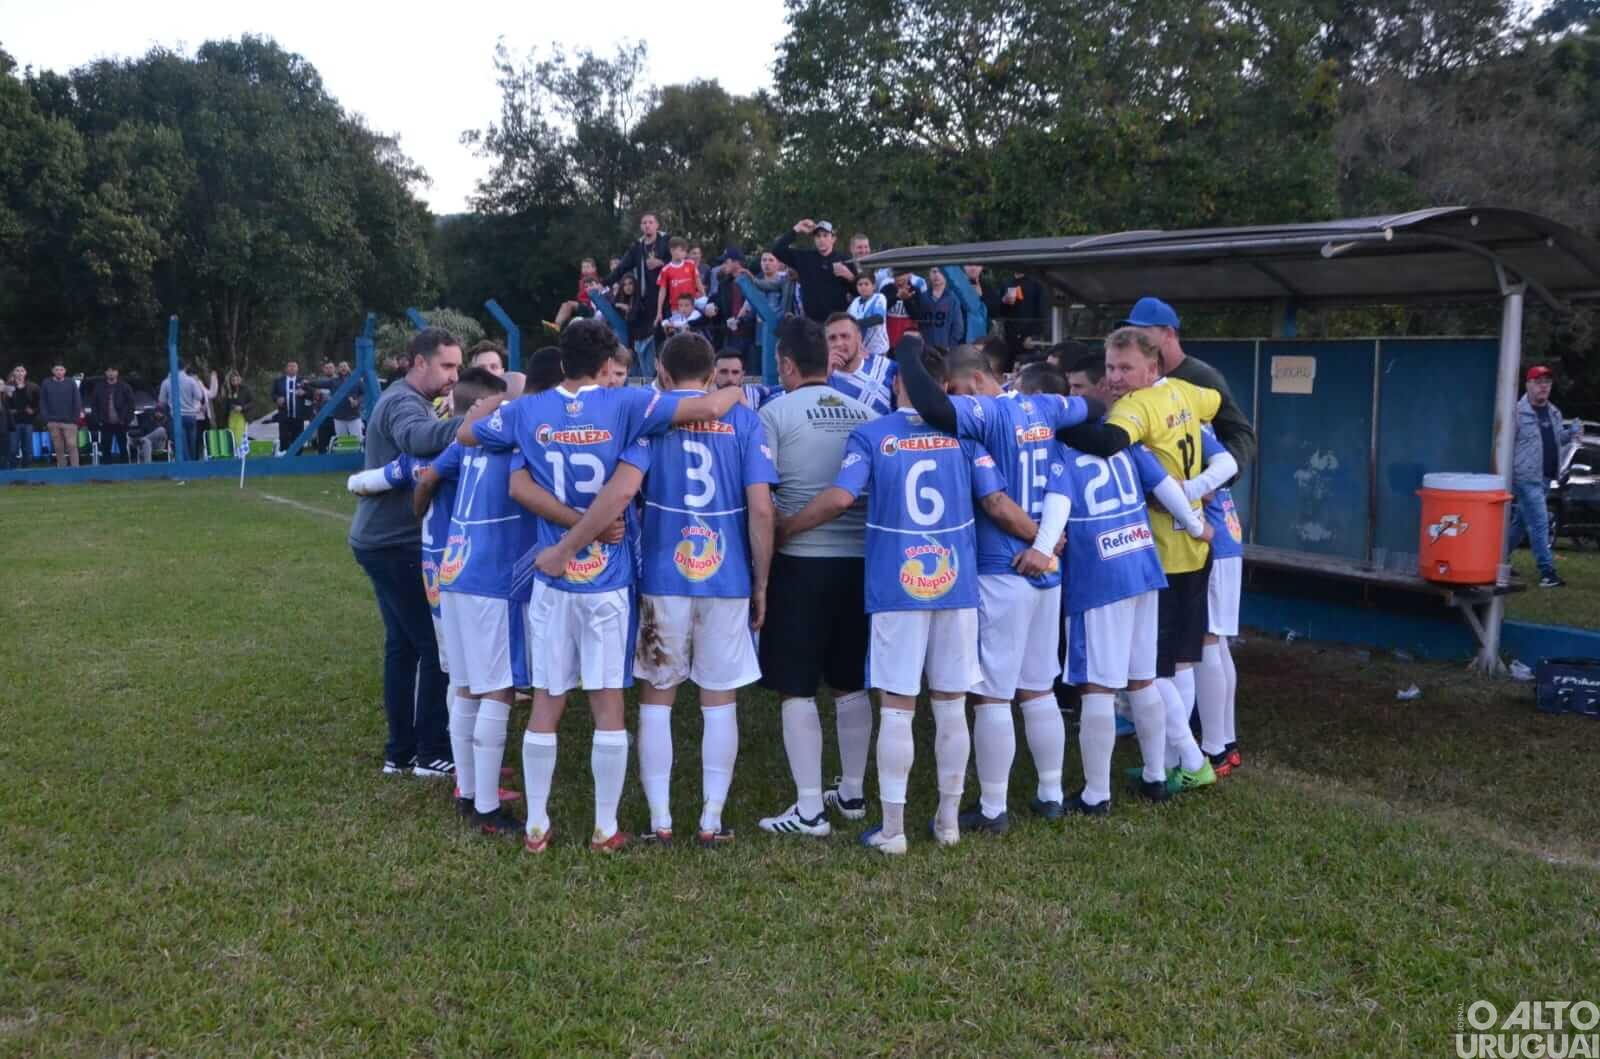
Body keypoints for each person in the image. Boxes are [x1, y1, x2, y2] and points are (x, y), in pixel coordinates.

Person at [461, 319, 742, 854]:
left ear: (562, 361)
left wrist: (499, 402)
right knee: (606, 701)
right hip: (606, 578)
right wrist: (734, 387)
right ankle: (604, 827)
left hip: (552, 581)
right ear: (605, 361)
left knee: (547, 699)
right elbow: (705, 409)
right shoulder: (628, 404)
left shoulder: (526, 412)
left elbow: (469, 434)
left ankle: (537, 826)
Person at [547, 332, 777, 846]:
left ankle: (661, 821)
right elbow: (761, 508)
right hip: (728, 577)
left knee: (658, 699)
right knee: (719, 700)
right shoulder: (743, 418)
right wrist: (761, 581)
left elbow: (625, 488)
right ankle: (711, 821)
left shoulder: (651, 414)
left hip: (663, 576)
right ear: (714, 371)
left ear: (664, 374)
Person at [780, 345, 1007, 854]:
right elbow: (994, 499)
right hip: (956, 586)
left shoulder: (873, 434)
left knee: (899, 708)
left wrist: (787, 527)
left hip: (896, 586)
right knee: (951, 706)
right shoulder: (964, 434)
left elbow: (840, 497)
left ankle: (894, 829)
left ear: (897, 382)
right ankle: (947, 822)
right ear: (943, 385)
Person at [897, 339, 1097, 830]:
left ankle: (992, 807)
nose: (956, 399)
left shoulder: (983, 416)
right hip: (1047, 572)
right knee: (1038, 688)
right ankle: (1050, 792)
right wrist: (1048, 544)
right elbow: (1093, 406)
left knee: (992, 694)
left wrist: (906, 351)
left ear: (974, 382)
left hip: (1001, 570)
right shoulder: (1045, 404)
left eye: (958, 389)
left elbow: (990, 496)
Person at [1057, 326, 1223, 795]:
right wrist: (1198, 516)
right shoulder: (1178, 396)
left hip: (1132, 562)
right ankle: (1167, 766)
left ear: (1152, 368)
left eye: (1124, 368)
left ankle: (1152, 772)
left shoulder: (1127, 417)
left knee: (1133, 677)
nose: (1114, 379)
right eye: (1109, 369)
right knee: (1155, 672)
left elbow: (1106, 447)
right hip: (1157, 556)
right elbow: (1216, 410)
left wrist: (1057, 428)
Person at [1016, 426, 1207, 814]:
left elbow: (1057, 505)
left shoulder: (1063, 454)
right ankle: (1155, 776)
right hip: (1142, 565)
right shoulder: (1128, 445)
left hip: (1099, 581)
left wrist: (1041, 547)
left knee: (1097, 688)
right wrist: (1195, 525)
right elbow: (1167, 487)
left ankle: (1096, 794)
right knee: (1143, 678)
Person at [753, 317, 879, 838]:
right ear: (828, 363)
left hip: (801, 560)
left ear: (785, 365)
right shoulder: (866, 412)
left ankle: (809, 810)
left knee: (797, 687)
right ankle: (851, 791)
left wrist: (761, 575)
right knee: (851, 683)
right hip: (859, 562)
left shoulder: (772, 413)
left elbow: (762, 503)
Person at [349, 328, 465, 779]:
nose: (454, 376)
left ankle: (400, 752)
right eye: (447, 366)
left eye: (458, 367)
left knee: (402, 648)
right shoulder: (402, 403)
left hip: (381, 540)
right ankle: (431, 751)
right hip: (395, 544)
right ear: (419, 362)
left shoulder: (407, 398)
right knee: (434, 648)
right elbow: (418, 438)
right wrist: (477, 421)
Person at [425, 368, 530, 837]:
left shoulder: (465, 438)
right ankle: (487, 809)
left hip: (456, 565)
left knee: (466, 685)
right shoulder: (510, 430)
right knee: (498, 689)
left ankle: (467, 793)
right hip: (492, 572)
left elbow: (426, 478)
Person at [1121, 297, 1257, 471]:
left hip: (1189, 490)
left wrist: (1212, 480)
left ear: (1169, 333)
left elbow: (1242, 434)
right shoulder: (1136, 375)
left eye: (1142, 333)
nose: (1134, 340)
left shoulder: (1201, 377)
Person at [1187, 425, 1244, 774]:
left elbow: (1203, 493)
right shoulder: (1201, 426)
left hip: (1213, 546)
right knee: (1217, 642)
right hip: (1228, 541)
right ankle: (1226, 741)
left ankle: (1214, 748)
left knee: (1207, 640)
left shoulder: (1184, 424)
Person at [1510, 364, 1579, 588]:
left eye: (1547, 383)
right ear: (1528, 385)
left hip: (1546, 477)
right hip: (1526, 478)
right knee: (1540, 523)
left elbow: (1558, 439)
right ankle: (1547, 573)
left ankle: (1498, 561)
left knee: (1519, 524)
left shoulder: (1554, 412)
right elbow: (1503, 444)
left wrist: (1572, 434)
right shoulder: (1516, 413)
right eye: (1539, 382)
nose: (1544, 387)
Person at [772, 219, 856, 322]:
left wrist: (850, 277)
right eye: (818, 236)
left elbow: (858, 293)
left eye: (825, 235)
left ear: (833, 239)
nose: (821, 239)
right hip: (811, 324)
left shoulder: (845, 260)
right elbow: (777, 250)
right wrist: (797, 228)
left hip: (837, 323)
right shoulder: (805, 258)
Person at [826, 312, 897, 416]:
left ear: (859, 338)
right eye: (832, 338)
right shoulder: (819, 377)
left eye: (845, 336)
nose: (838, 343)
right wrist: (823, 376)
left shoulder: (886, 367)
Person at [654, 237, 704, 329]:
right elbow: (662, 291)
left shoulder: (690, 264)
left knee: (693, 331)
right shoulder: (666, 270)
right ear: (672, 251)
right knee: (679, 335)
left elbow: (698, 282)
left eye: (685, 251)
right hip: (676, 308)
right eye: (681, 250)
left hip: (692, 306)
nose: (684, 253)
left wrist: (705, 298)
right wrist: (659, 311)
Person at [40, 363, 82, 468]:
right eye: (56, 369)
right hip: (53, 421)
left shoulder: (71, 382)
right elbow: (43, 402)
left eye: (61, 369)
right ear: (53, 371)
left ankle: (75, 468)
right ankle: (62, 468)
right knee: (58, 447)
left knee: (72, 445)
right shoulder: (46, 383)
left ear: (65, 371)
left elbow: (77, 400)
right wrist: (46, 418)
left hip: (70, 421)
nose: (59, 372)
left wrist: (75, 418)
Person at [913, 268, 966, 350]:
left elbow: (958, 326)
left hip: (945, 349)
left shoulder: (953, 298)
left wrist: (950, 346)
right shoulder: (922, 297)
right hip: (925, 349)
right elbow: (917, 324)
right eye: (934, 272)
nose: (936, 275)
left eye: (940, 271)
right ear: (929, 274)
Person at [91, 367, 135, 463]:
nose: (111, 373)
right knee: (105, 448)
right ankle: (106, 471)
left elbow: (131, 404)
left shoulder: (125, 386)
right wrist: (98, 420)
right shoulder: (99, 387)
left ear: (117, 372)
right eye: (109, 371)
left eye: (113, 371)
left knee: (123, 447)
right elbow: (94, 405)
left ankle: (125, 470)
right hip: (105, 422)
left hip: (121, 422)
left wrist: (127, 419)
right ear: (105, 372)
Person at [846, 272, 889, 357]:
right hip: (860, 349)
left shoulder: (879, 297)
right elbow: (846, 318)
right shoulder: (855, 301)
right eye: (860, 284)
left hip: (877, 348)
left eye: (866, 284)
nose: (863, 287)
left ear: (873, 286)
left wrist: (854, 324)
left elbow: (878, 318)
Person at [273, 360, 309, 454]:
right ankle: (284, 459)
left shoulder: (303, 380)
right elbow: (273, 394)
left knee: (298, 438)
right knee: (284, 438)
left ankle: (297, 459)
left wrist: (304, 393)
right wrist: (277, 399)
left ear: (297, 369)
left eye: (294, 366)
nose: (292, 368)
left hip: (298, 416)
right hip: (284, 415)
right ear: (286, 369)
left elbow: (311, 394)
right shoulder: (279, 381)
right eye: (290, 366)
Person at [554, 258, 602, 329]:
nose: (585, 269)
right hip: (584, 308)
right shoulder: (582, 281)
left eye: (587, 267)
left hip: (593, 309)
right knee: (565, 305)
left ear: (594, 269)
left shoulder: (597, 281)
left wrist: (584, 303)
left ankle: (557, 326)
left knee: (569, 304)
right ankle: (557, 326)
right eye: (583, 267)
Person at [8, 366, 39, 466]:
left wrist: (33, 410)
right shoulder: (8, 387)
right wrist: (9, 411)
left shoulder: (33, 387)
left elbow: (40, 404)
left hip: (28, 422)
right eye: (17, 371)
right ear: (14, 373)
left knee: (28, 450)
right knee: (13, 449)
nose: (20, 373)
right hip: (13, 423)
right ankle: (12, 472)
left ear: (25, 373)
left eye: (22, 371)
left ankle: (26, 472)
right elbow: (3, 403)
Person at [219, 371, 253, 445]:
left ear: (240, 379)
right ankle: (233, 453)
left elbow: (252, 403)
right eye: (233, 380)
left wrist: (242, 408)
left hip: (241, 415)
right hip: (231, 416)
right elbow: (225, 404)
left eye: (236, 379)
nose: (235, 382)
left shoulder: (246, 389)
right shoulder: (228, 390)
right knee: (231, 436)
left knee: (239, 436)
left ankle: (239, 453)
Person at [331, 361, 363, 440]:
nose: (343, 368)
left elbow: (364, 394)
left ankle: (358, 453)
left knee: (358, 440)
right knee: (342, 442)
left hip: (354, 416)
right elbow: (320, 383)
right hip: (339, 417)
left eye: (345, 366)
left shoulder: (357, 380)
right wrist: (307, 382)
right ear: (338, 369)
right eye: (341, 367)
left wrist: (357, 401)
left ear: (349, 368)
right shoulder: (334, 381)